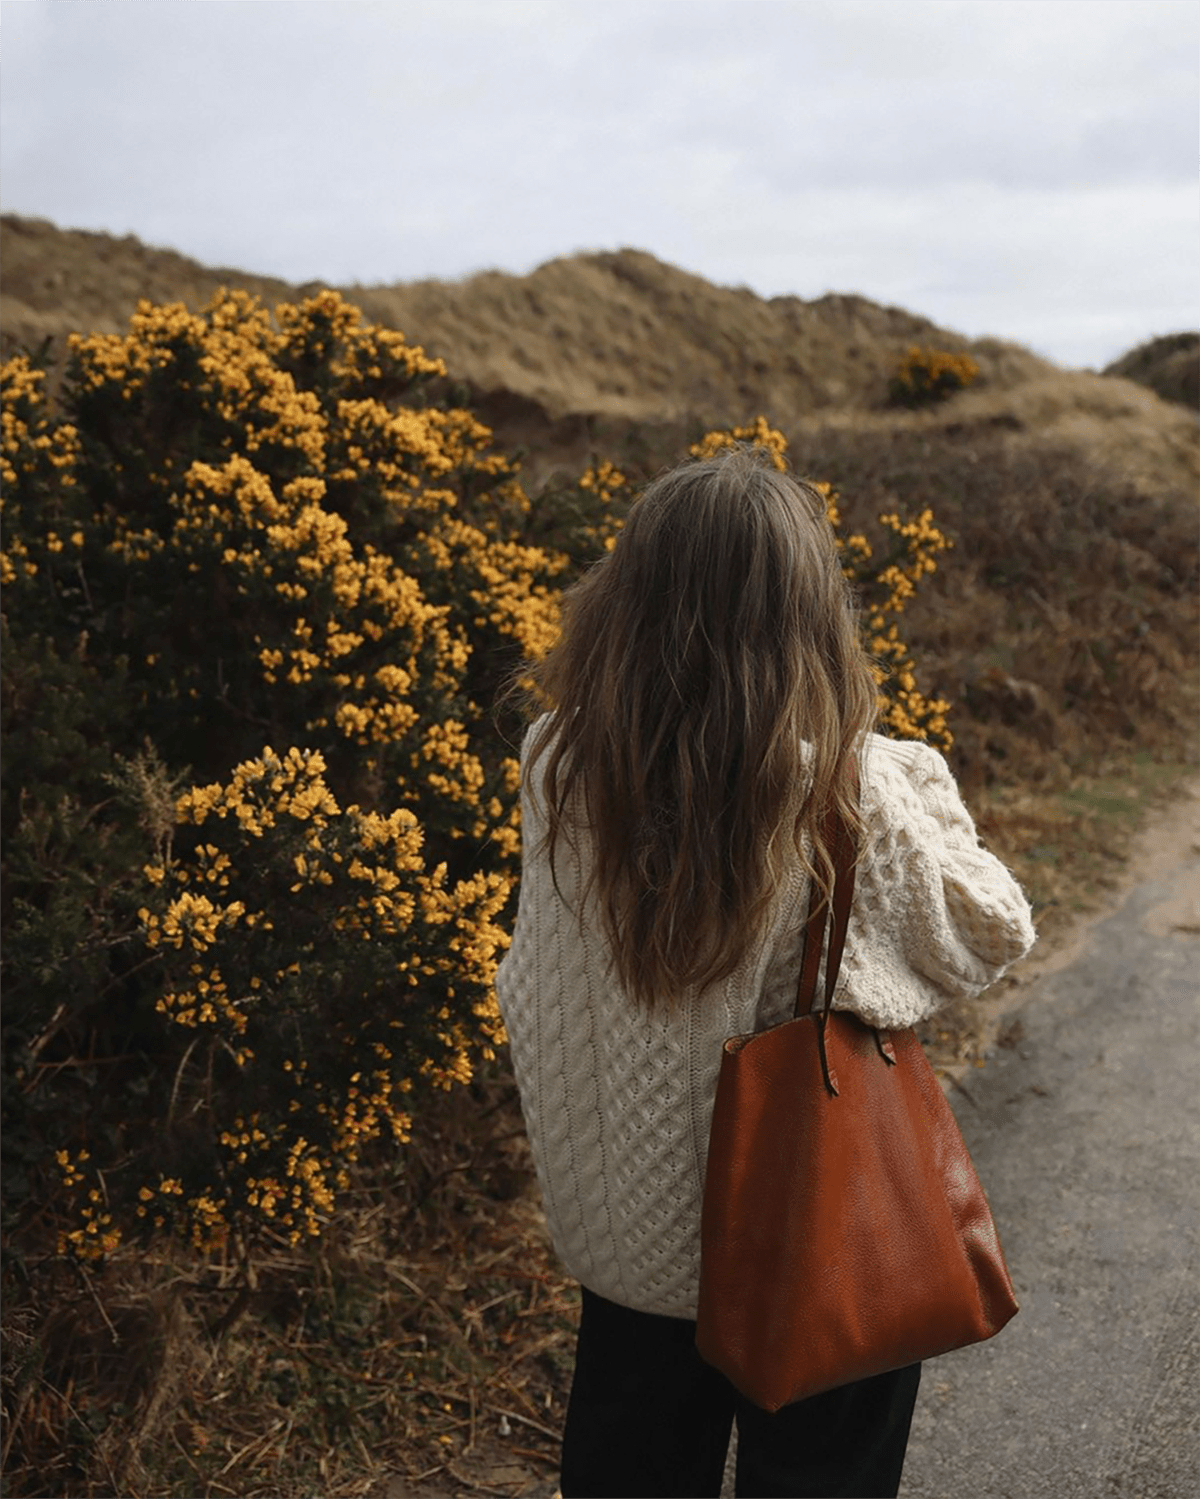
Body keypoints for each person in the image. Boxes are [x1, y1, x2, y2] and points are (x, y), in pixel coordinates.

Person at [494, 444, 1036, 1498]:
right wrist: (905, 764)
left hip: (628, 1247)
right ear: (805, 611)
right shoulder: (848, 790)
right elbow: (989, 924)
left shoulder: (556, 763)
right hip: (812, 1243)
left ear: (627, 596)